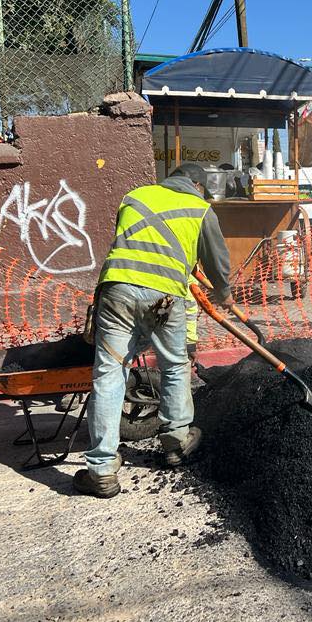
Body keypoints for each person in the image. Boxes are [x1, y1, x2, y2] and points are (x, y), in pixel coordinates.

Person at [75, 163, 234, 498]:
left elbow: (133, 242)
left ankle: (101, 470)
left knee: (108, 373)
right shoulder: (200, 208)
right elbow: (217, 259)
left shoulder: (134, 197)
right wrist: (224, 293)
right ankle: (176, 442)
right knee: (174, 364)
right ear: (197, 185)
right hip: (164, 295)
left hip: (117, 289)